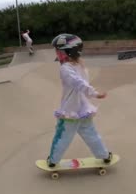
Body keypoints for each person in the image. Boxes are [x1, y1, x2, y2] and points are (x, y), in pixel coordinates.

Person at [46, 33, 112, 168]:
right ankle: (104, 156)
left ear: (68, 51)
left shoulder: (65, 69)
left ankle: (53, 160)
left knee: (62, 137)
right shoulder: (81, 66)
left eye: (58, 51)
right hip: (84, 110)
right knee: (91, 135)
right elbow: (82, 83)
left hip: (70, 112)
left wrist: (94, 93)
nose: (57, 54)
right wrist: (93, 93)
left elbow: (78, 83)